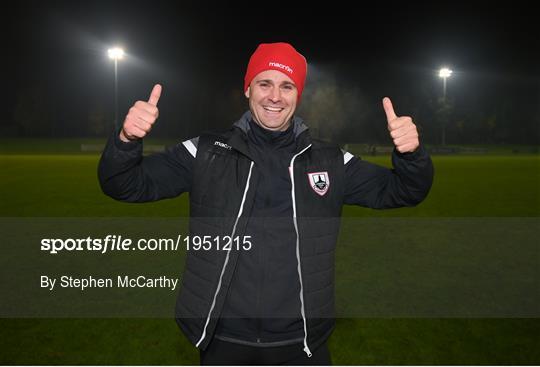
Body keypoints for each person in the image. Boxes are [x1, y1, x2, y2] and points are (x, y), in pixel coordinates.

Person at [98, 42, 434, 365]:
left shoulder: (329, 160)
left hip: (301, 344)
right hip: (223, 341)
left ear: (298, 95)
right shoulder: (206, 152)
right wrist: (126, 141)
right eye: (265, 83)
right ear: (248, 89)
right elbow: (123, 185)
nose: (275, 96)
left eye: (287, 86)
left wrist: (411, 156)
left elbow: (403, 190)